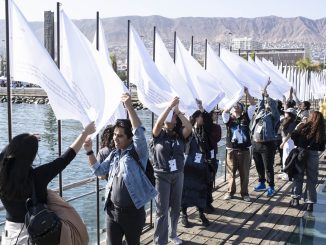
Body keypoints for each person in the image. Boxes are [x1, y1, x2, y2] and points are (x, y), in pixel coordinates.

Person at [0, 121, 96, 245]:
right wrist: (85, 133)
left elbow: (3, 155)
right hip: (36, 233)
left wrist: (22, 142)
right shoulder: (38, 176)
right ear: (32, 156)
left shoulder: (2, 174)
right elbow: (65, 158)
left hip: (10, 234)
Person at [84, 93, 157, 245]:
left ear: (129, 139)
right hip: (112, 212)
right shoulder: (114, 155)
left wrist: (129, 106)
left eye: (120, 136)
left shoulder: (138, 153)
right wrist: (89, 151)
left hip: (133, 213)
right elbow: (98, 171)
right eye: (115, 135)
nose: (115, 138)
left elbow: (138, 132)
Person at [151, 97, 192, 245]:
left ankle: (172, 234)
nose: (171, 118)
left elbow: (190, 127)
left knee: (175, 206)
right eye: (168, 117)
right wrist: (168, 108)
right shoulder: (158, 135)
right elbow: (156, 127)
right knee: (162, 209)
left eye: (173, 117)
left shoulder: (180, 134)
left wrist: (178, 112)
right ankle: (159, 241)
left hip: (178, 174)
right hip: (161, 175)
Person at [180, 99, 212, 228]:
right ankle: (184, 214)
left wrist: (202, 109)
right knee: (185, 191)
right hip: (188, 168)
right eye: (200, 116)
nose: (202, 119)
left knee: (201, 191)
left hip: (200, 168)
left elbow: (208, 123)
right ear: (194, 117)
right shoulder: (188, 131)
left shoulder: (203, 130)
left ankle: (200, 213)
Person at [222, 88, 256, 202]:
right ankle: (230, 192)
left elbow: (253, 105)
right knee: (231, 172)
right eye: (234, 106)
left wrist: (247, 93)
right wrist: (234, 99)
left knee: (244, 173)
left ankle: (244, 193)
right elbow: (224, 112)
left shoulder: (246, 117)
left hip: (244, 150)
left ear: (242, 109)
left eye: (239, 105)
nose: (236, 106)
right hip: (231, 149)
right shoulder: (229, 119)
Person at [289, 111, 325, 211]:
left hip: (301, 153)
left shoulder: (304, 127)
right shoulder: (321, 131)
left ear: (311, 117)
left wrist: (299, 126)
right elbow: (322, 148)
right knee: (312, 179)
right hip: (313, 155)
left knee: (298, 176)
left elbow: (293, 137)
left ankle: (295, 199)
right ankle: (310, 203)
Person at [250, 80, 280, 197]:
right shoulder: (261, 112)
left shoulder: (274, 116)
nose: (266, 104)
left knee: (268, 167)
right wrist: (264, 89)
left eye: (269, 103)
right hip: (256, 143)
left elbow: (273, 107)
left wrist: (268, 96)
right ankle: (261, 182)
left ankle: (271, 185)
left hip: (268, 144)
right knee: (258, 165)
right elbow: (261, 103)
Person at [206, 109, 222, 212]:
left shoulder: (216, 127)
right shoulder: (201, 128)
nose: (216, 115)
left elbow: (216, 138)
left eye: (217, 113)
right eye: (214, 113)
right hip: (203, 157)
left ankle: (208, 201)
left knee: (210, 179)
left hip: (212, 157)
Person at [279, 108, 298, 181]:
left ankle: (287, 175)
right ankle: (285, 172)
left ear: (290, 115)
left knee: (287, 158)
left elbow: (289, 134)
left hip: (288, 141)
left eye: (286, 113)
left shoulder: (292, 123)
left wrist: (283, 143)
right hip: (285, 140)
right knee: (284, 158)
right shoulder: (286, 120)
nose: (285, 113)